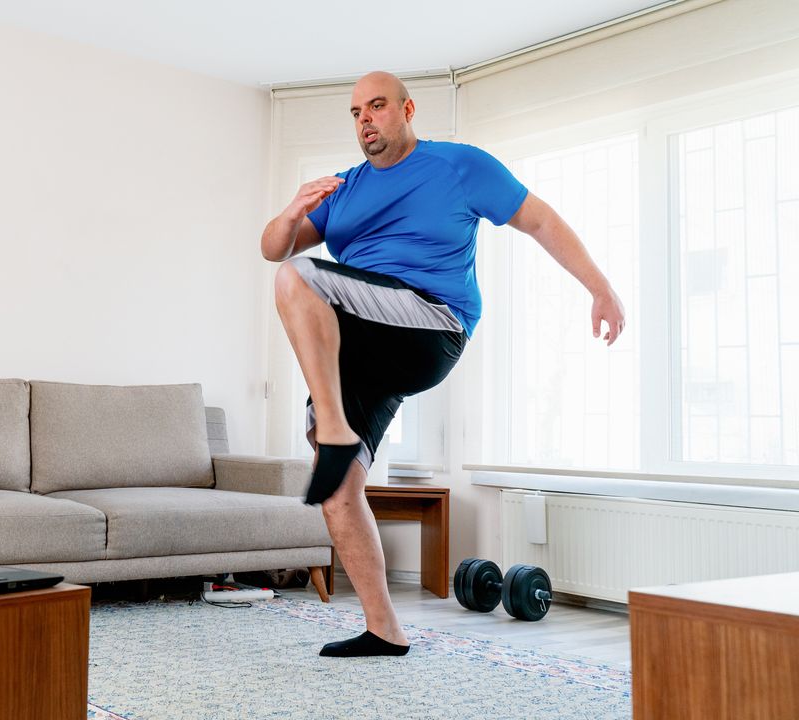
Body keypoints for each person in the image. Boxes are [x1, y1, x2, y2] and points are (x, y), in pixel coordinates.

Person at [260, 71, 625, 658]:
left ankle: (331, 426)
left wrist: (599, 287)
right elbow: (274, 244)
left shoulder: (458, 166)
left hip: (429, 322)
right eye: (355, 112)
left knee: (298, 277)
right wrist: (292, 209)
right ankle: (384, 629)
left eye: (377, 107)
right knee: (340, 492)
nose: (365, 121)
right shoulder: (344, 189)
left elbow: (540, 220)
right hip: (361, 346)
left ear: (406, 109)